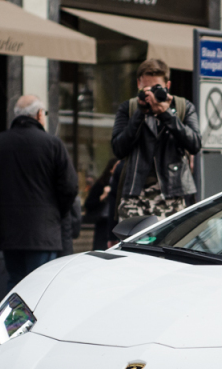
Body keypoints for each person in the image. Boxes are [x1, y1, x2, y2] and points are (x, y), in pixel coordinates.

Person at [0, 95, 79, 293]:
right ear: (39, 114)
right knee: (40, 288)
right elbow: (69, 187)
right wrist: (56, 212)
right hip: (44, 232)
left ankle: (14, 324)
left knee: (15, 285)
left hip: (9, 232)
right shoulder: (52, 144)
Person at [110, 59, 200, 220]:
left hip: (173, 194)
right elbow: (118, 149)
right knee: (133, 244)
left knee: (172, 244)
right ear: (138, 84)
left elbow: (195, 144)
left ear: (168, 85)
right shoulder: (129, 108)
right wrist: (140, 114)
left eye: (156, 88)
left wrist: (167, 115)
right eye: (146, 88)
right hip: (135, 194)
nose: (151, 94)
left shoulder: (182, 107)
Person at [84, 159, 118, 252]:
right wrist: (102, 196)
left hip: (117, 223)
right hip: (102, 222)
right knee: (100, 249)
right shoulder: (101, 184)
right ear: (111, 169)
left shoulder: (123, 184)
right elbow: (88, 204)